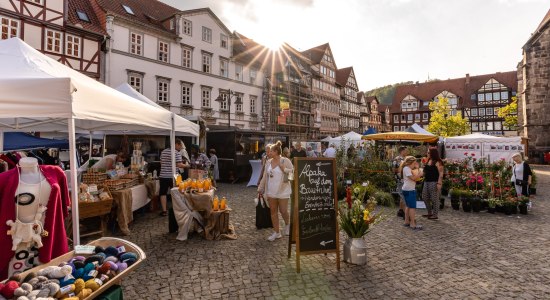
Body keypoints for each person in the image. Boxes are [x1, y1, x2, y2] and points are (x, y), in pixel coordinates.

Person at [258, 141, 294, 241]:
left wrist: (284, 169)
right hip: (271, 191)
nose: (268, 153)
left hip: (283, 191)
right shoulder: (268, 162)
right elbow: (265, 176)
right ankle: (276, 232)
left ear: (276, 152)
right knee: (273, 212)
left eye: (270, 152)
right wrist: (261, 187)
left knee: (283, 211)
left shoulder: (285, 160)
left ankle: (287, 225)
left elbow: (293, 174)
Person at [159, 139, 188, 217]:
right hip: (176, 175)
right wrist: (188, 165)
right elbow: (179, 165)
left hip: (163, 175)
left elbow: (161, 163)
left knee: (163, 193)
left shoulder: (163, 152)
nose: (181, 147)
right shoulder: (176, 153)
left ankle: (164, 211)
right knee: (178, 192)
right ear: (176, 144)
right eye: (180, 145)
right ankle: (177, 209)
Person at [399, 156, 423, 230]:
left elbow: (414, 176)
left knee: (408, 206)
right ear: (410, 163)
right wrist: (420, 174)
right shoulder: (407, 169)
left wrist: (417, 168)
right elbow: (413, 178)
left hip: (407, 189)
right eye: (414, 163)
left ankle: (407, 221)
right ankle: (412, 223)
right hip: (410, 190)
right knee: (412, 207)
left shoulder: (407, 168)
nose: (415, 164)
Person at [421, 148, 444, 220]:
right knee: (424, 197)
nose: (427, 154)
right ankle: (429, 212)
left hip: (434, 182)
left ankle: (435, 214)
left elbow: (441, 173)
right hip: (426, 181)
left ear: (433, 153)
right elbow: (424, 171)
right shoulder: (428, 160)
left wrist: (439, 183)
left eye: (428, 152)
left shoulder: (438, 162)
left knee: (434, 199)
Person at [392, 146, 409, 219]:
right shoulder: (397, 159)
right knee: (403, 195)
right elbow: (394, 169)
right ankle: (405, 212)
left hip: (403, 179)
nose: (407, 152)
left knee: (402, 195)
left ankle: (401, 210)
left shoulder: (405, 159)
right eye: (406, 150)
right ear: (402, 151)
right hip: (400, 179)